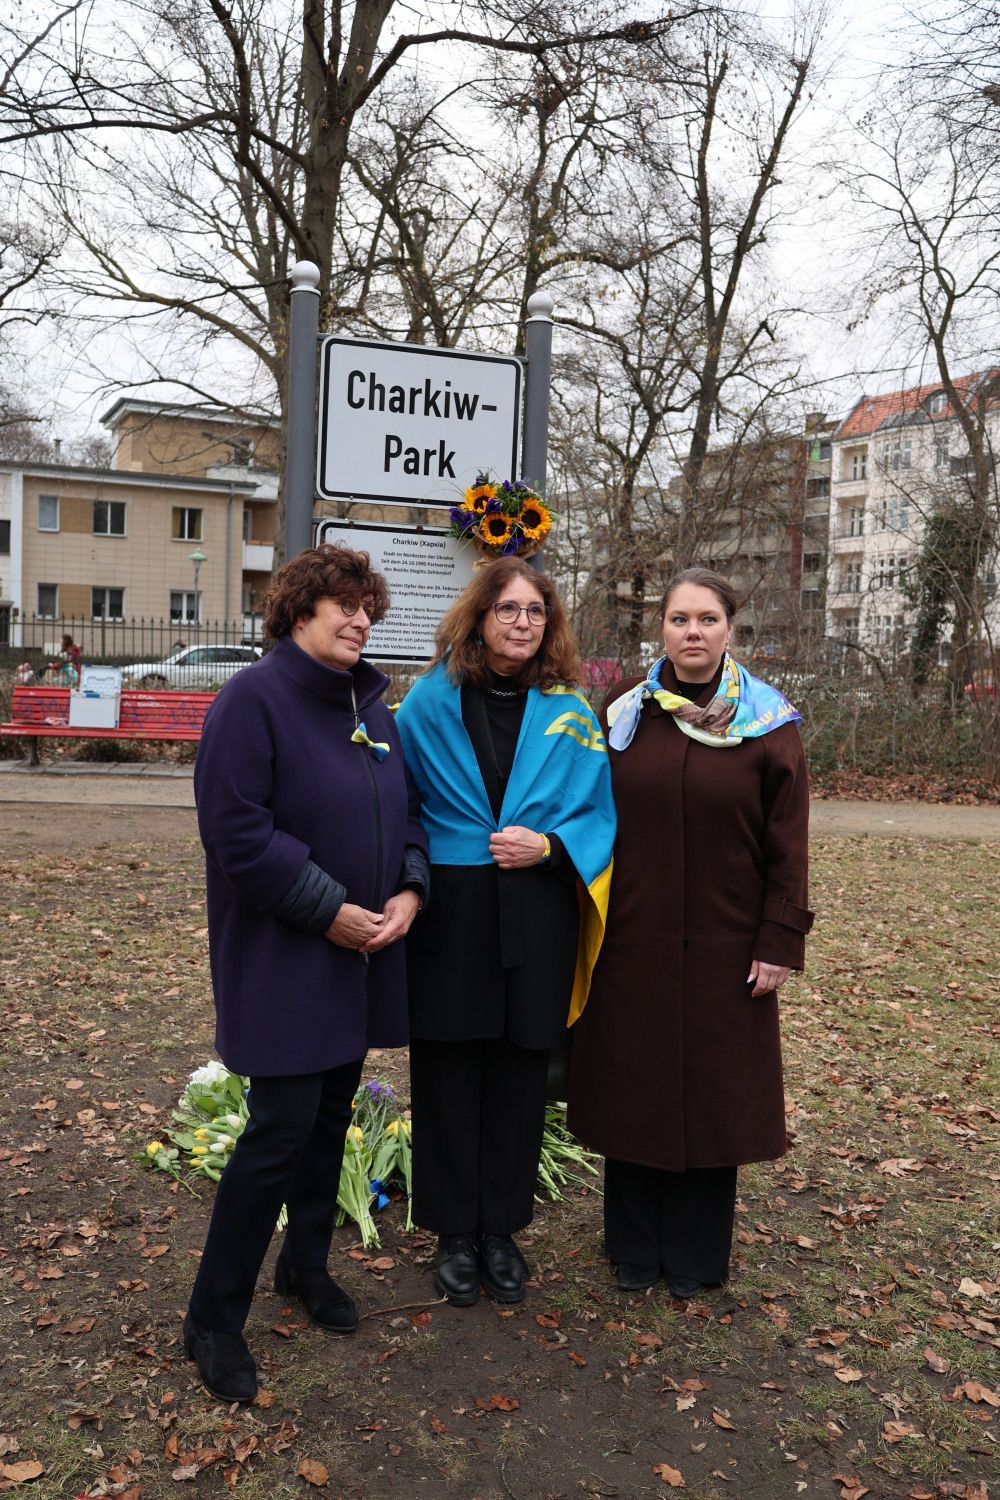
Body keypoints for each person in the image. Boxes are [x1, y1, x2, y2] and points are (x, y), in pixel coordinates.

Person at [183, 544, 429, 1403]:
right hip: (289, 954)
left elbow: (409, 813)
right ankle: (213, 1318)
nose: (361, 620)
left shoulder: (373, 705)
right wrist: (326, 906)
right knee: (277, 1134)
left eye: (369, 608)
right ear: (297, 612)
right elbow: (238, 832)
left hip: (361, 955)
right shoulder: (252, 701)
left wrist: (410, 887)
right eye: (345, 605)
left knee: (331, 1121)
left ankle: (305, 1266)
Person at [568, 567, 814, 1298]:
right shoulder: (622, 713)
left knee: (714, 1096)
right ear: (661, 630)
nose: (693, 633)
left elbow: (789, 845)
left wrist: (779, 939)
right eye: (680, 620)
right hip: (631, 938)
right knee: (632, 1089)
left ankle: (698, 1256)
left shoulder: (770, 725)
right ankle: (633, 1248)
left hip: (727, 944)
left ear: (730, 629)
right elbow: (586, 816)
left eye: (707, 619)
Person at [395, 557, 616, 1307]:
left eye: (536, 612)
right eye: (508, 609)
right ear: (478, 619)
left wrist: (548, 848)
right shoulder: (426, 705)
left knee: (521, 1077)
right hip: (453, 912)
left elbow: (598, 818)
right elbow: (400, 808)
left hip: (536, 912)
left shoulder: (572, 714)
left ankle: (502, 1231)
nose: (522, 622)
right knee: (450, 1073)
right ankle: (454, 1234)